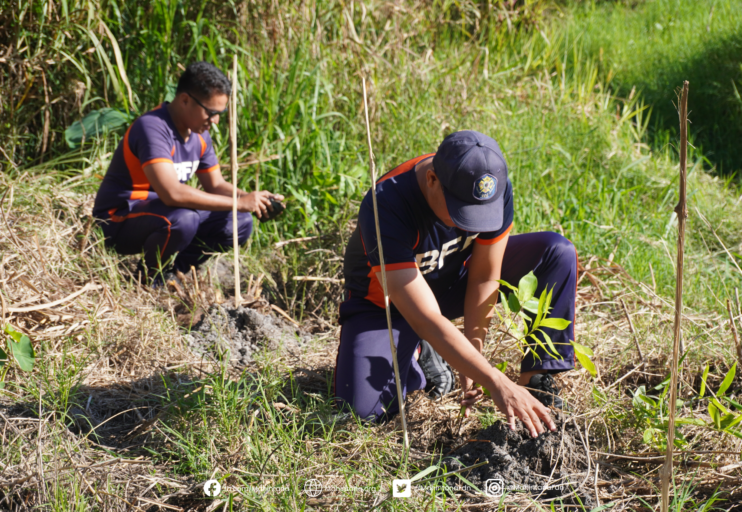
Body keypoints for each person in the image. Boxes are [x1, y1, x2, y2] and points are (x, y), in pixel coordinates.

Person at [334, 130, 578, 437]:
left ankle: (537, 386)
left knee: (556, 253)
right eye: (461, 211)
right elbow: (425, 317)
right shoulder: (386, 203)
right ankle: (420, 351)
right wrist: (495, 380)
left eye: (479, 214)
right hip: (385, 306)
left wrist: (472, 360)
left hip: (450, 282)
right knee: (364, 412)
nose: (470, 223)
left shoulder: (492, 187)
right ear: (432, 180)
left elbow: (484, 276)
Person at [92, 61, 283, 284]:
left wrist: (252, 200)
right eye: (211, 113)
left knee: (240, 221)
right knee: (183, 219)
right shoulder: (152, 128)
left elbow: (215, 185)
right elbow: (172, 194)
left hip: (161, 214)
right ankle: (150, 278)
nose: (215, 121)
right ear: (185, 100)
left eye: (220, 113)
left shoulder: (199, 135)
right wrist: (238, 202)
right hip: (118, 220)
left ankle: (177, 272)